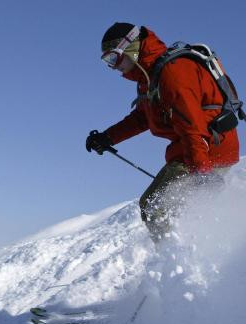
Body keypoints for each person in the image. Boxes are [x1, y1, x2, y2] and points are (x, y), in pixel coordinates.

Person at [86, 22, 240, 242]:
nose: (113, 67)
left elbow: (192, 128)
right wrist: (108, 137)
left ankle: (181, 264)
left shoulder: (173, 72)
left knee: (153, 206)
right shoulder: (150, 76)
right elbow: (142, 118)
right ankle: (193, 254)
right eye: (107, 61)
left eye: (113, 58)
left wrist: (202, 172)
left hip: (205, 150)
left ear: (131, 48)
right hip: (196, 150)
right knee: (169, 209)